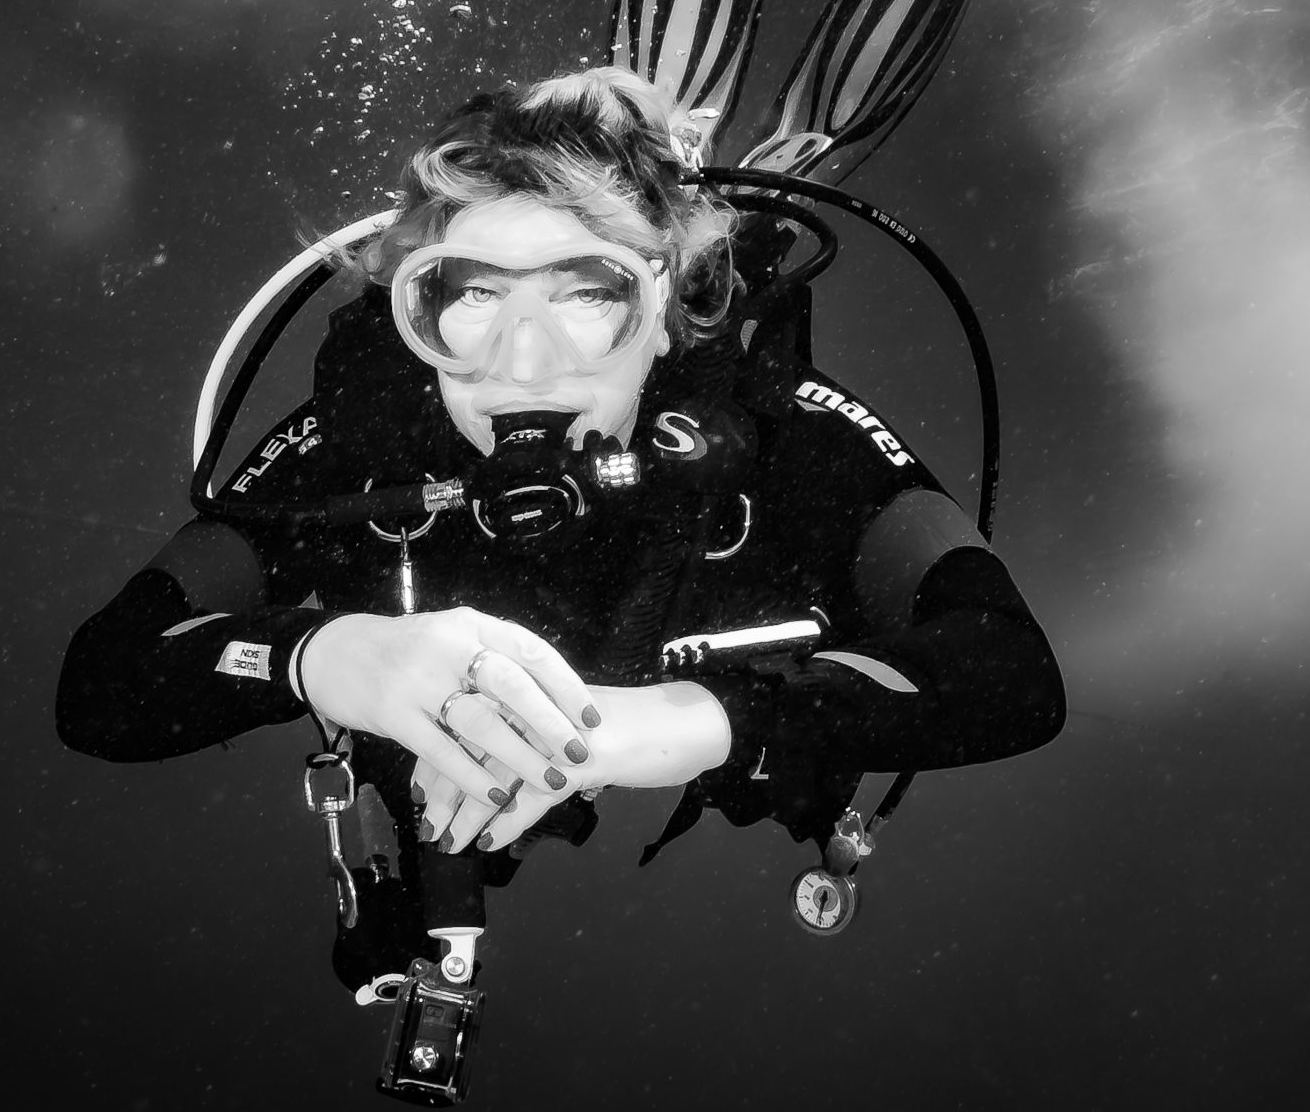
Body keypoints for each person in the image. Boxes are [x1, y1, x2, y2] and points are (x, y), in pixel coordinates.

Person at [55, 65, 1066, 993]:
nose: (521, 364)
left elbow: (1007, 671)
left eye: (591, 295)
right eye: (469, 298)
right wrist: (322, 656)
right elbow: (103, 682)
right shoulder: (359, 444)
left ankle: (728, 182)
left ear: (666, 304)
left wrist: (680, 726)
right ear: (415, 308)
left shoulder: (781, 436)